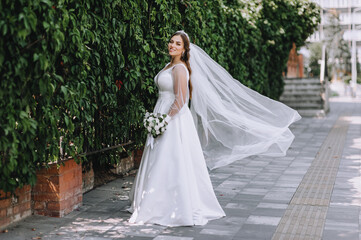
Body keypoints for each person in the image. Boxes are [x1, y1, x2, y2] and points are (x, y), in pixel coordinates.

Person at [128, 30, 301, 226]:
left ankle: (169, 204)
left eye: (178, 44)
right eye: (171, 42)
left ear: (184, 49)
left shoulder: (179, 69)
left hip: (172, 119)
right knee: (159, 157)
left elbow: (181, 99)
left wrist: (164, 120)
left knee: (171, 158)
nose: (172, 46)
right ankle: (154, 199)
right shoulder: (170, 65)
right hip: (162, 112)